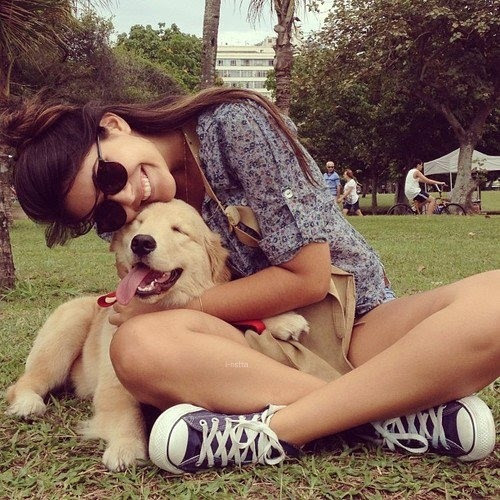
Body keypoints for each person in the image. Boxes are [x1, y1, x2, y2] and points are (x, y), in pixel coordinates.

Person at [2, 88, 498, 475]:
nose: (128, 199)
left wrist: (180, 307)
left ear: (112, 126)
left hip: (351, 323)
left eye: (109, 176)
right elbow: (145, 306)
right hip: (242, 353)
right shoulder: (134, 221)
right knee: (137, 346)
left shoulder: (234, 125)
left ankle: (280, 427)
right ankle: (390, 411)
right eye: (108, 211)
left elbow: (309, 280)